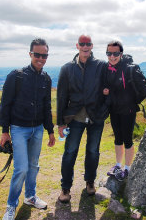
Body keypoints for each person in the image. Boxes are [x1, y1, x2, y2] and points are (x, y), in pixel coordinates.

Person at [0, 38, 55, 220]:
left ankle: (30, 196)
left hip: (38, 129)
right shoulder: (16, 76)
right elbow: (5, 104)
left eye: (44, 55)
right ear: (30, 54)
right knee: (21, 169)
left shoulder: (46, 78)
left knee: (33, 166)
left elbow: (47, 107)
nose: (40, 58)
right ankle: (11, 206)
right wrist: (5, 131)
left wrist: (50, 131)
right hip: (18, 129)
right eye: (37, 54)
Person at [57, 35, 108, 203]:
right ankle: (65, 188)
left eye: (88, 44)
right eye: (82, 44)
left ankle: (90, 182)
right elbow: (61, 97)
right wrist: (60, 123)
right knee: (70, 152)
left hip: (96, 117)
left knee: (93, 152)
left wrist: (104, 111)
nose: (85, 46)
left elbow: (110, 87)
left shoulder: (101, 66)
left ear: (92, 46)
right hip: (75, 117)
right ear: (77, 46)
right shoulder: (67, 68)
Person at [102, 41, 146, 181]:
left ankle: (127, 169)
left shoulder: (130, 68)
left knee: (127, 140)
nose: (112, 56)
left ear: (121, 54)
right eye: (109, 53)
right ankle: (118, 165)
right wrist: (105, 91)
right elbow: (107, 86)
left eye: (115, 53)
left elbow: (143, 88)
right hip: (114, 109)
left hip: (128, 110)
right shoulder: (107, 68)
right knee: (118, 138)